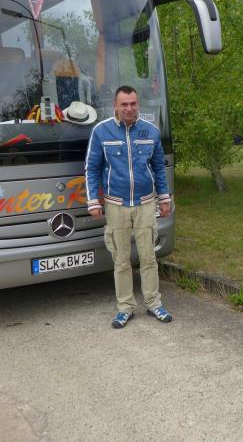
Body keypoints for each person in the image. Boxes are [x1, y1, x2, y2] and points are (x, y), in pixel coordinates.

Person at [85, 86, 173, 328]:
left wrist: (164, 198)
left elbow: (159, 168)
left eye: (133, 103)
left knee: (148, 257)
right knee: (121, 260)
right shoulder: (101, 131)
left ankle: (154, 303)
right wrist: (93, 201)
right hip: (115, 205)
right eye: (124, 104)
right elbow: (92, 168)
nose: (129, 108)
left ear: (138, 104)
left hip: (146, 204)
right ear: (115, 105)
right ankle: (125, 307)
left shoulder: (151, 131)